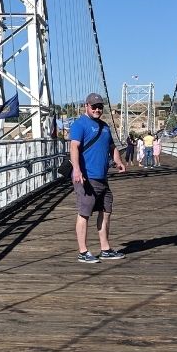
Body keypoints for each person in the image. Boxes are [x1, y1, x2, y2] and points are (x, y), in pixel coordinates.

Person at [69, 92, 127, 263]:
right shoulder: (80, 124)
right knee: (84, 213)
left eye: (100, 106)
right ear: (86, 106)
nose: (97, 109)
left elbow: (112, 147)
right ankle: (83, 251)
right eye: (93, 106)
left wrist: (118, 161)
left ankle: (105, 249)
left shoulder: (105, 127)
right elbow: (74, 147)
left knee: (106, 211)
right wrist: (77, 171)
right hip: (86, 177)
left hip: (102, 178)